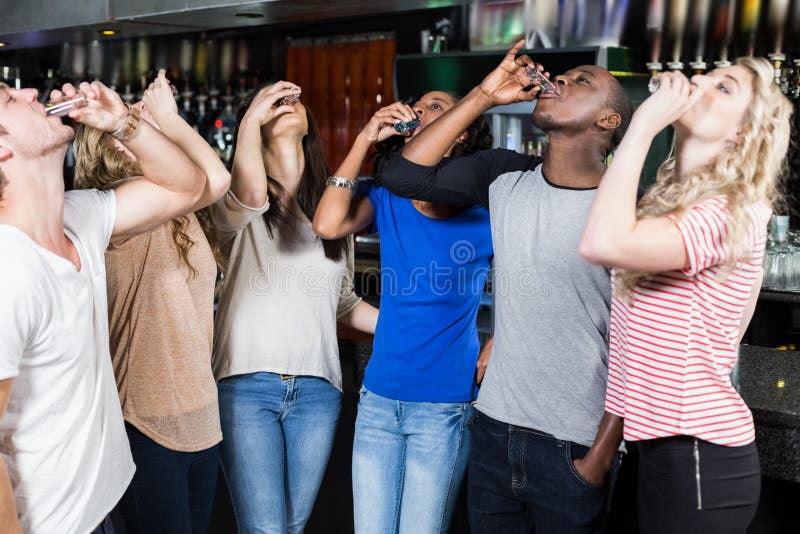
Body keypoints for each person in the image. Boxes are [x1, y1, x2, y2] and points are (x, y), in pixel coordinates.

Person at [377, 40, 633, 533]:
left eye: (582, 80)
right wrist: (485, 95)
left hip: (575, 443)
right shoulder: (504, 175)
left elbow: (645, 344)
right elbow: (405, 175)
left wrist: (600, 456)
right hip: (493, 429)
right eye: (561, 75)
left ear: (608, 122)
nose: (558, 80)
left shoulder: (629, 208)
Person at [578, 60, 793, 533]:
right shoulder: (681, 205)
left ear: (742, 132)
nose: (697, 82)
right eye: (707, 74)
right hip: (657, 446)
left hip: (700, 454)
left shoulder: (730, 210)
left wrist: (642, 127)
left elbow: (599, 244)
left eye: (724, 86)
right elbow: (729, 321)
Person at [0, 75, 215, 533]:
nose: (34, 92)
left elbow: (189, 188)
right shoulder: (9, 269)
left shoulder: (82, 217)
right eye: (9, 98)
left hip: (100, 508)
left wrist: (123, 123)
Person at [312, 90, 494, 534]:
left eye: (436, 105)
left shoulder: (486, 210)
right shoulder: (388, 195)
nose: (419, 108)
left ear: (460, 132)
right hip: (378, 399)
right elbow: (327, 224)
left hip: (444, 405)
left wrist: (499, 343)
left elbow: (540, 278)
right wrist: (365, 138)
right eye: (419, 103)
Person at [210, 80, 379, 533]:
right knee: (266, 530)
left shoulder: (331, 215)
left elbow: (341, 302)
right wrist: (251, 116)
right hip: (246, 385)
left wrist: (411, 330)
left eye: (292, 102)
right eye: (272, 104)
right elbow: (246, 193)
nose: (286, 106)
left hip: (320, 391)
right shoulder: (235, 204)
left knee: (291, 527)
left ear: (310, 126)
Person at [72, 69, 231, 534]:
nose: (148, 122)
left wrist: (168, 120)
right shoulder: (115, 212)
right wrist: (163, 120)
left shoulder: (182, 214)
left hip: (202, 418)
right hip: (143, 421)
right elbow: (215, 178)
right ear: (117, 146)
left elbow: (207, 177)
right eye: (135, 125)